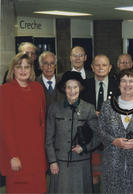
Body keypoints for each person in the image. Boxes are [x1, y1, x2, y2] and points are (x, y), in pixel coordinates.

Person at [0, 53, 47, 193]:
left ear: (31, 69)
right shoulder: (5, 90)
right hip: (17, 154)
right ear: (13, 69)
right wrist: (13, 155)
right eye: (19, 67)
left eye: (27, 67)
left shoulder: (38, 89)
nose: (23, 70)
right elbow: (5, 126)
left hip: (36, 153)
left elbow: (42, 122)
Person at [45, 71, 99, 193]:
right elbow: (48, 139)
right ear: (64, 89)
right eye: (68, 87)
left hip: (82, 163)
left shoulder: (89, 108)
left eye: (75, 87)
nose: (72, 91)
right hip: (60, 163)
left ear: (80, 88)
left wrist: (85, 148)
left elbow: (98, 135)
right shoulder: (54, 108)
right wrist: (52, 161)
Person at [81, 54, 120, 193]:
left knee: (112, 176)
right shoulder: (84, 85)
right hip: (91, 137)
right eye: (97, 65)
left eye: (104, 65)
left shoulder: (118, 86)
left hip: (112, 139)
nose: (100, 68)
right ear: (92, 67)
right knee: (94, 176)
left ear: (110, 68)